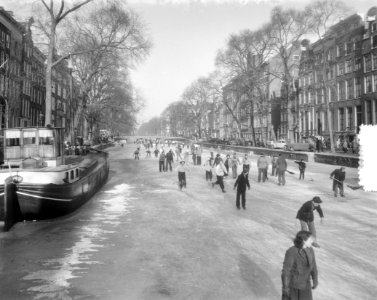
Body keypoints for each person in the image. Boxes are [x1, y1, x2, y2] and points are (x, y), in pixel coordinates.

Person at [281, 231, 318, 300]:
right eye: (310, 239)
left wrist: (315, 278)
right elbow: (286, 271)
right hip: (294, 286)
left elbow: (313, 266)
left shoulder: (310, 250)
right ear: (304, 240)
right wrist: (285, 288)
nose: (312, 241)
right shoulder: (292, 252)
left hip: (306, 285)